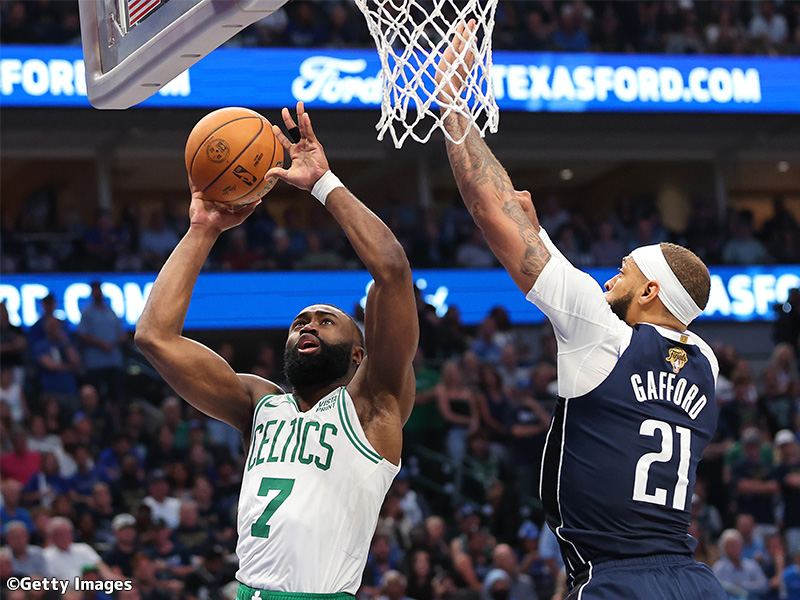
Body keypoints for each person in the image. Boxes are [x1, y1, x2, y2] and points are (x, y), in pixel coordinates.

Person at [436, 22, 725, 599]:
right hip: (691, 579)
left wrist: (451, 105)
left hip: (617, 579)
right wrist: (542, 239)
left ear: (649, 293)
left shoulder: (601, 333)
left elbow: (489, 209)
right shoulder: (706, 363)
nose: (611, 276)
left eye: (625, 270)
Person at [134, 102, 418, 596]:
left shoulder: (374, 405)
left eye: (326, 321)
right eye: (299, 322)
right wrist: (203, 229)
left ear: (359, 355)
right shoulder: (259, 404)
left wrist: (324, 184)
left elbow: (392, 272)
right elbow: (154, 337)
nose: (308, 325)